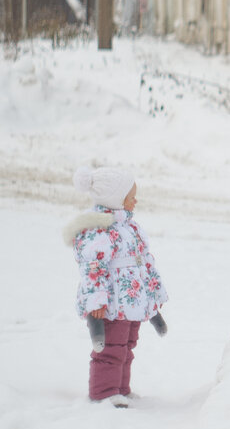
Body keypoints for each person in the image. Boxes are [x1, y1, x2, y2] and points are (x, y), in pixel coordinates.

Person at [63, 166, 169, 408]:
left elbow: (145, 263)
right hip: (111, 304)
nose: (135, 200)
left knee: (126, 348)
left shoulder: (130, 228)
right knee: (110, 350)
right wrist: (96, 302)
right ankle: (104, 393)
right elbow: (93, 268)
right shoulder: (99, 229)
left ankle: (120, 389)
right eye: (131, 196)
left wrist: (152, 298)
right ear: (116, 198)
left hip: (132, 302)